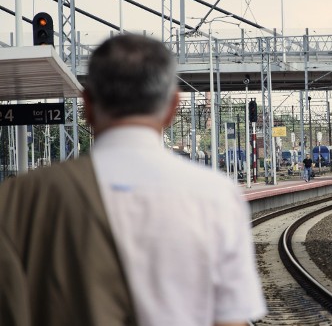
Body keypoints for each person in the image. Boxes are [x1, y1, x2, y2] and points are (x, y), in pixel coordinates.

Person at [0, 34, 267, 326]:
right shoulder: (217, 196)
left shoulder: (19, 198)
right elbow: (229, 321)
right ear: (172, 107)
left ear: (86, 103)